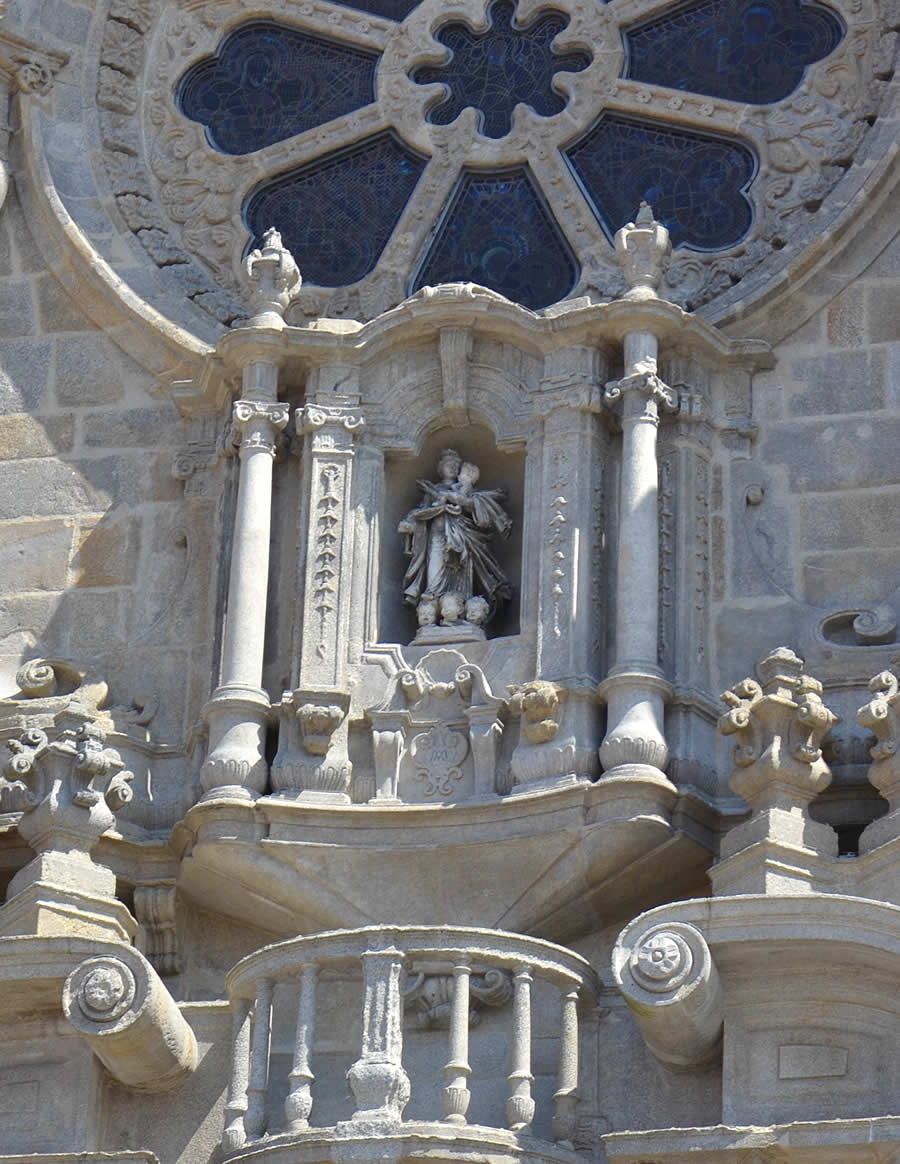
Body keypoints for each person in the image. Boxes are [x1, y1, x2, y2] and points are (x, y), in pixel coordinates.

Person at [399, 449, 512, 625]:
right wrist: (411, 521)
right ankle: (432, 616)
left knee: (461, 576)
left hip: (462, 539)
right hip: (436, 538)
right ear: (440, 468)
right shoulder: (433, 490)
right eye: (448, 465)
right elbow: (420, 511)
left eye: (455, 466)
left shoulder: (466, 491)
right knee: (434, 576)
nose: (452, 468)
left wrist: (459, 502)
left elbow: (478, 513)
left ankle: (460, 614)